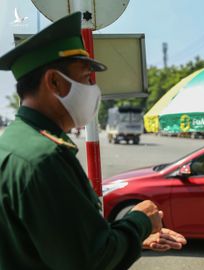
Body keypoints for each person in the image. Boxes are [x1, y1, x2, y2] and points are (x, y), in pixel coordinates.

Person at [0, 12, 186, 270]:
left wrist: (123, 238)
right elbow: (92, 261)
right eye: (86, 78)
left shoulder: (13, 142)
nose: (93, 89)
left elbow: (53, 241)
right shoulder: (43, 158)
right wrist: (140, 220)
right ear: (54, 81)